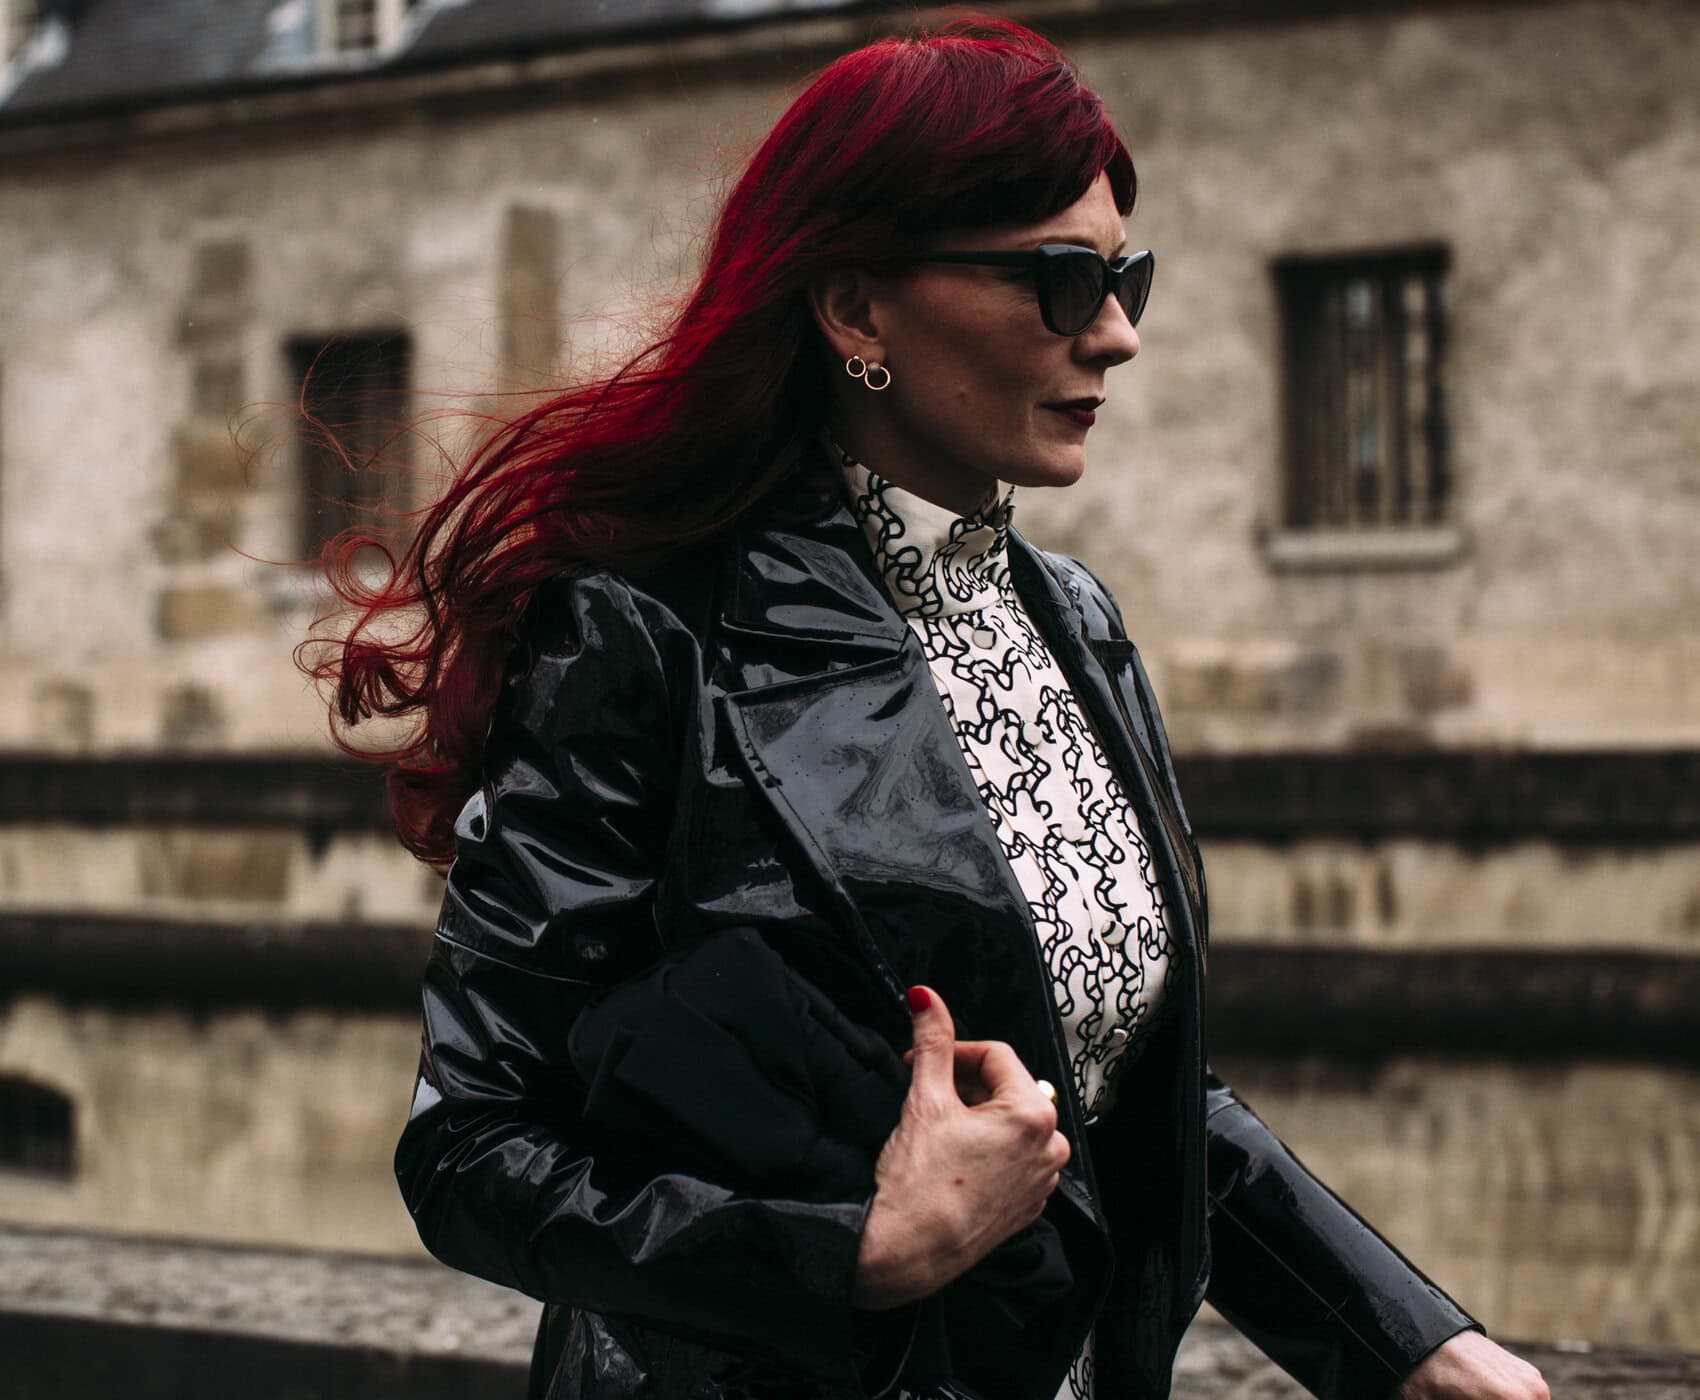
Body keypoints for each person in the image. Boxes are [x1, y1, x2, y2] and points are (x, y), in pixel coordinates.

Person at [308, 18, 1551, 1400]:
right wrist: (852, 1254)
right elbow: (471, 1147)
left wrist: (1409, 1344)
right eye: (1062, 281)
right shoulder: (642, 630)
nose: (1120, 334)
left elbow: (1132, 1093)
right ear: (855, 311)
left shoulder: (1072, 618)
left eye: (1125, 276)